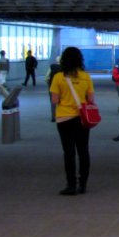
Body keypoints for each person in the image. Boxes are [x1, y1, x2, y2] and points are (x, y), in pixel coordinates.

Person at [49, 47, 95, 195]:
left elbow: (54, 100)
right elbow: (91, 99)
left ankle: (71, 185)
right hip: (82, 118)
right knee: (83, 151)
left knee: (68, 152)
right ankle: (83, 184)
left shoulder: (58, 77)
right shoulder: (85, 77)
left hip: (64, 118)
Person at [45, 57, 62, 122]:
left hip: (52, 87)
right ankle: (61, 115)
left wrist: (49, 83)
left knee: (53, 102)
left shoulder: (52, 66)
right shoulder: (64, 67)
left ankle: (53, 117)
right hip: (62, 88)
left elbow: (46, 77)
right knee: (61, 102)